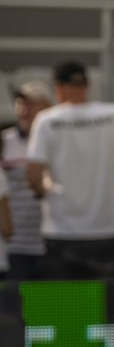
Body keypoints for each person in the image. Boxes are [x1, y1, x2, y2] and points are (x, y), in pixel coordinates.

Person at [26, 60, 114, 279]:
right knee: (111, 309)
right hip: (107, 227)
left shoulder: (47, 120)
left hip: (61, 230)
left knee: (66, 309)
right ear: (87, 84)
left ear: (58, 86)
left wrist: (44, 188)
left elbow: (33, 175)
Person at [0, 80, 51, 281]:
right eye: (20, 103)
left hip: (53, 242)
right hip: (15, 245)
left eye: (32, 103)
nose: (24, 109)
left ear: (48, 106)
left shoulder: (58, 140)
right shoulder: (4, 141)